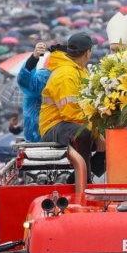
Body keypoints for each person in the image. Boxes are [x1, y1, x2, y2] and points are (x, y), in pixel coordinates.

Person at [39, 32, 105, 178]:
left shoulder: (80, 71)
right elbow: (71, 114)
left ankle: (77, 179)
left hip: (72, 122)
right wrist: (96, 132)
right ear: (88, 53)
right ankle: (84, 182)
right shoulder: (65, 75)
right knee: (83, 133)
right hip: (55, 126)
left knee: (114, 136)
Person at [17, 41, 54, 142]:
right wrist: (34, 58)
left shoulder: (76, 74)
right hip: (38, 134)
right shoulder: (45, 77)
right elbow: (25, 80)